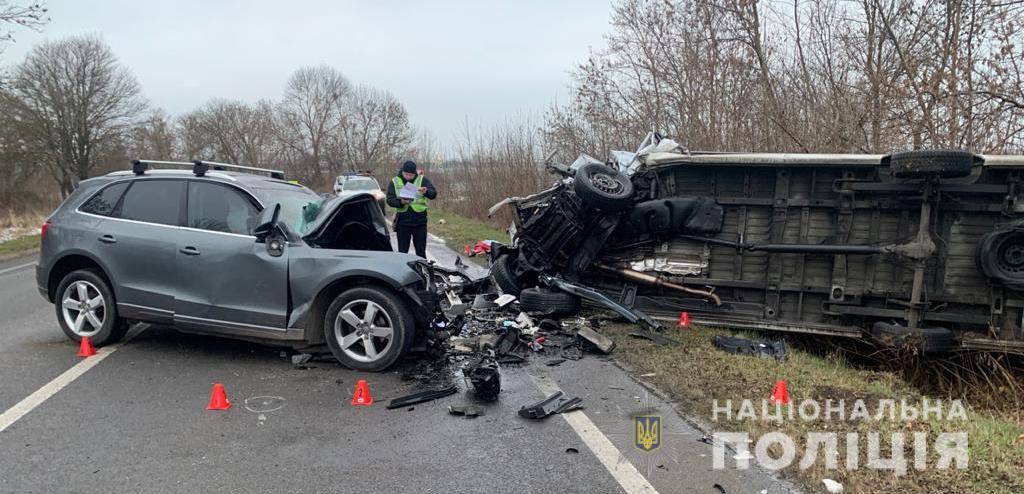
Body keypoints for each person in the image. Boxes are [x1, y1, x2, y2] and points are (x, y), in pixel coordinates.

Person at [386, 160, 437, 258]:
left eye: (411, 175)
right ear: (402, 172)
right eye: (406, 174)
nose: (409, 177)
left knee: (421, 252)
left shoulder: (422, 180)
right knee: (402, 253)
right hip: (403, 222)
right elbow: (389, 200)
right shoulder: (395, 181)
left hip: (420, 222)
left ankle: (422, 267)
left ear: (415, 173)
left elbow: (433, 194)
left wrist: (426, 191)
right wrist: (401, 202)